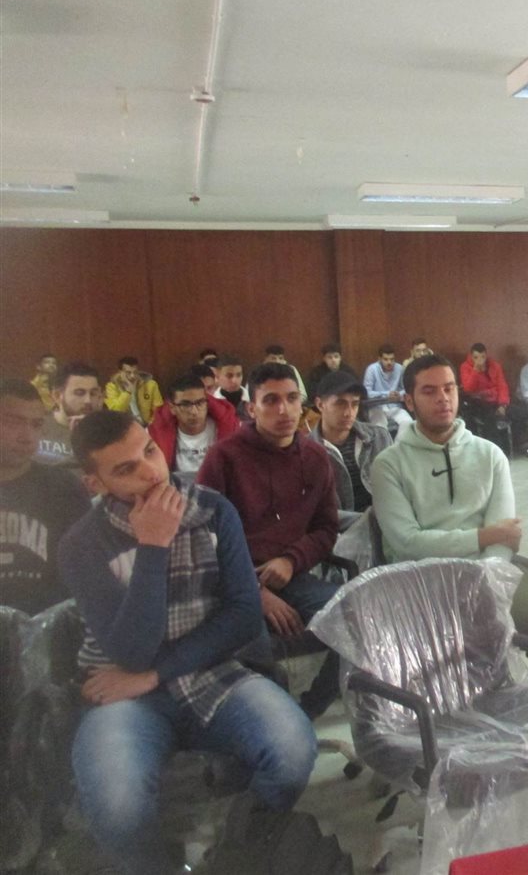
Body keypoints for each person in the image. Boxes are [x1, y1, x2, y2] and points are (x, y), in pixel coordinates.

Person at [61, 409, 316, 874]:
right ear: (94, 483)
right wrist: (153, 547)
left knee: (294, 751)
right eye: (126, 469)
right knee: (117, 805)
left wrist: (156, 673)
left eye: (150, 451)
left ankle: (236, 855)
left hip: (211, 671)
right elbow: (130, 653)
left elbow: (243, 617)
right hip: (119, 689)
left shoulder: (213, 511)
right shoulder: (82, 544)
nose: (150, 471)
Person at [371, 354, 528, 694]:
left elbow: (504, 537)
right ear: (409, 401)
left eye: (449, 388)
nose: (443, 398)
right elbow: (407, 543)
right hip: (423, 581)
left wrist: (485, 578)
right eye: (429, 391)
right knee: (459, 666)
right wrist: (483, 536)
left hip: (489, 573)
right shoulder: (388, 464)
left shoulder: (489, 454)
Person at [197, 363, 342, 717]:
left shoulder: (315, 456)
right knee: (250, 642)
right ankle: (278, 722)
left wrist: (291, 560)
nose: (284, 410)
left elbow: (326, 529)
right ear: (252, 408)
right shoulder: (224, 457)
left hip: (292, 575)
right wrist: (255, 592)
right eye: (271, 400)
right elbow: (201, 539)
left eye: (292, 399)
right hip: (233, 584)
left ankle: (308, 711)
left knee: (360, 616)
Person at [0, 379, 91, 614]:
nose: (27, 436)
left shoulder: (64, 489)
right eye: (13, 422)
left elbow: (85, 572)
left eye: (36, 424)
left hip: (49, 624)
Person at [308, 370, 392, 512]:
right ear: (320, 404)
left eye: (355, 404)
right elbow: (319, 513)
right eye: (340, 403)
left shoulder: (379, 437)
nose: (349, 413)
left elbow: (397, 489)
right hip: (341, 525)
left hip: (386, 519)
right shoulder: (308, 452)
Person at [148, 374, 238, 477]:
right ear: (172, 408)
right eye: (185, 405)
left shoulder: (230, 428)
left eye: (200, 403)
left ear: (207, 403)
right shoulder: (155, 433)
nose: (194, 412)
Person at [37, 361, 104, 468]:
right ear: (57, 396)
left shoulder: (107, 433)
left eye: (93, 393)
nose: (88, 401)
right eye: (79, 393)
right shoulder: (37, 427)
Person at [459, 342, 521, 452]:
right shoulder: (465, 367)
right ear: (471, 356)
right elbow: (468, 389)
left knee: (520, 413)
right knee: (489, 418)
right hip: (479, 403)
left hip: (496, 401)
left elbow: (502, 386)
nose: (480, 360)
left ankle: (515, 446)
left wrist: (503, 405)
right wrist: (475, 371)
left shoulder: (494, 366)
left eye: (483, 357)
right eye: (476, 357)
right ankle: (495, 450)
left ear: (486, 355)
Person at [103, 357, 164, 425]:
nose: (133, 376)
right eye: (128, 373)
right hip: (125, 427)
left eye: (135, 372)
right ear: (120, 372)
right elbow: (116, 412)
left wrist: (151, 425)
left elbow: (158, 410)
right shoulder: (111, 387)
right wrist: (128, 392)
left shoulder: (150, 384)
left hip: (147, 425)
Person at [362, 343, 409, 433]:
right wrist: (387, 394)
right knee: (380, 428)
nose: (389, 362)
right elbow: (366, 393)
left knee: (408, 423)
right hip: (376, 407)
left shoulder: (399, 368)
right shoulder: (372, 369)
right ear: (379, 359)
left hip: (395, 406)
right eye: (386, 359)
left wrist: (399, 394)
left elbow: (406, 389)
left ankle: (399, 442)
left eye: (392, 359)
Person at [212, 354, 252, 422]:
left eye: (239, 375)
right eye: (229, 376)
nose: (234, 380)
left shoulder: (252, 398)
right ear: (218, 376)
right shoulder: (212, 402)